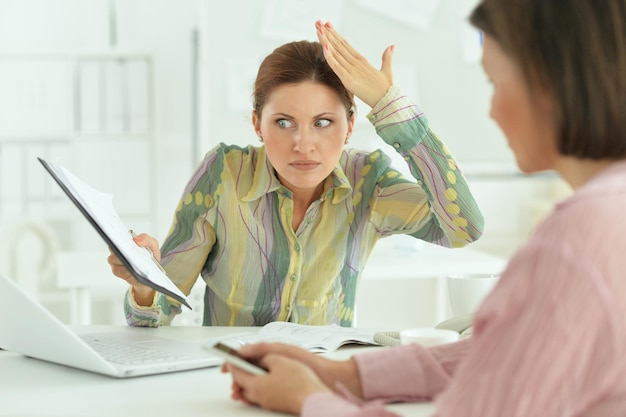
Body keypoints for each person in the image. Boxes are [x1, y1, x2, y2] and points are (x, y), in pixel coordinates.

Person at [222, 3, 626, 416]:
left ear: (552, 85)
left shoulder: (579, 239)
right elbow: (502, 353)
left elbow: (463, 227)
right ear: (258, 124)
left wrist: (308, 399)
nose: (492, 110)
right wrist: (341, 375)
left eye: (496, 83)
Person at [107, 20, 484, 328]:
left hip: (325, 381)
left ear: (350, 126)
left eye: (323, 122)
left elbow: (463, 227)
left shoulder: (369, 181)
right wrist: (143, 286)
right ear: (257, 124)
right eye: (284, 122)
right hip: (228, 383)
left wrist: (391, 108)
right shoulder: (224, 174)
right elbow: (158, 312)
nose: (304, 144)